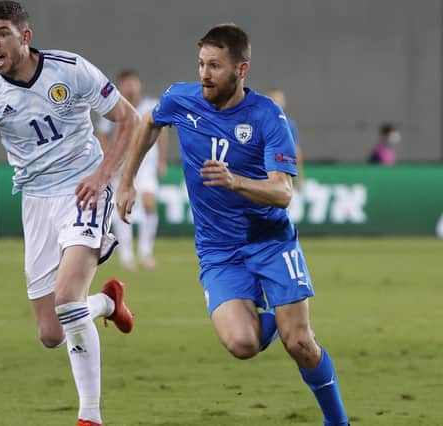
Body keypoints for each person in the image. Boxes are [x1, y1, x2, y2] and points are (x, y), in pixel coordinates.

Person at [117, 23, 349, 426]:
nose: (205, 74)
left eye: (216, 66)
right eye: (202, 64)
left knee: (301, 344)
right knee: (242, 344)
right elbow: (149, 122)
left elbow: (283, 193)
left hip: (270, 242)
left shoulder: (266, 117)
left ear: (241, 70)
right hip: (219, 250)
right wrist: (126, 182)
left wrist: (235, 181)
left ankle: (338, 422)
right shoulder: (182, 99)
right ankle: (279, 313)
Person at [0, 2, 138, 425]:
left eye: (2, 33)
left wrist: (102, 176)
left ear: (25, 36)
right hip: (36, 202)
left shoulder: (71, 69)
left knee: (65, 299)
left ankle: (90, 416)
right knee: (51, 333)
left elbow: (129, 120)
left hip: (84, 191)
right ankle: (107, 303)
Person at [96, 70, 168, 270]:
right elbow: (101, 133)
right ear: (120, 86)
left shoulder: (151, 106)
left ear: (139, 84)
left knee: (149, 203)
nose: (130, 87)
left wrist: (162, 160)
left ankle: (146, 253)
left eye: (133, 82)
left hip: (146, 165)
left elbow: (161, 134)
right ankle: (126, 255)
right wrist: (108, 159)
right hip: (121, 166)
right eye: (126, 83)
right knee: (122, 208)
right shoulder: (113, 107)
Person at [267, 89, 304, 189]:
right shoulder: (259, 124)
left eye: (280, 100)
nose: (278, 104)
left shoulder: (289, 125)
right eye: (274, 100)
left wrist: (299, 177)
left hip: (282, 174)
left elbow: (296, 152)